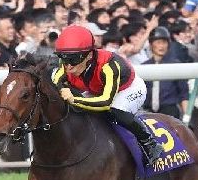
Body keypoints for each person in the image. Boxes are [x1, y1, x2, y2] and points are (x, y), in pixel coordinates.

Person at [51, 24, 164, 162]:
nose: (68, 66)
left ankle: (150, 143)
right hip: (97, 89)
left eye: (73, 59)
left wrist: (74, 99)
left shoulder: (109, 66)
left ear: (89, 55)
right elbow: (55, 82)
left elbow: (105, 102)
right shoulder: (66, 65)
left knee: (116, 111)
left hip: (126, 89)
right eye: (63, 58)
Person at [143, 28, 189, 120]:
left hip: (170, 111)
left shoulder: (175, 65)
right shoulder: (144, 67)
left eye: (164, 42)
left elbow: (184, 94)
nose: (161, 46)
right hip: (148, 111)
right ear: (151, 44)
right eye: (158, 42)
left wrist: (187, 117)